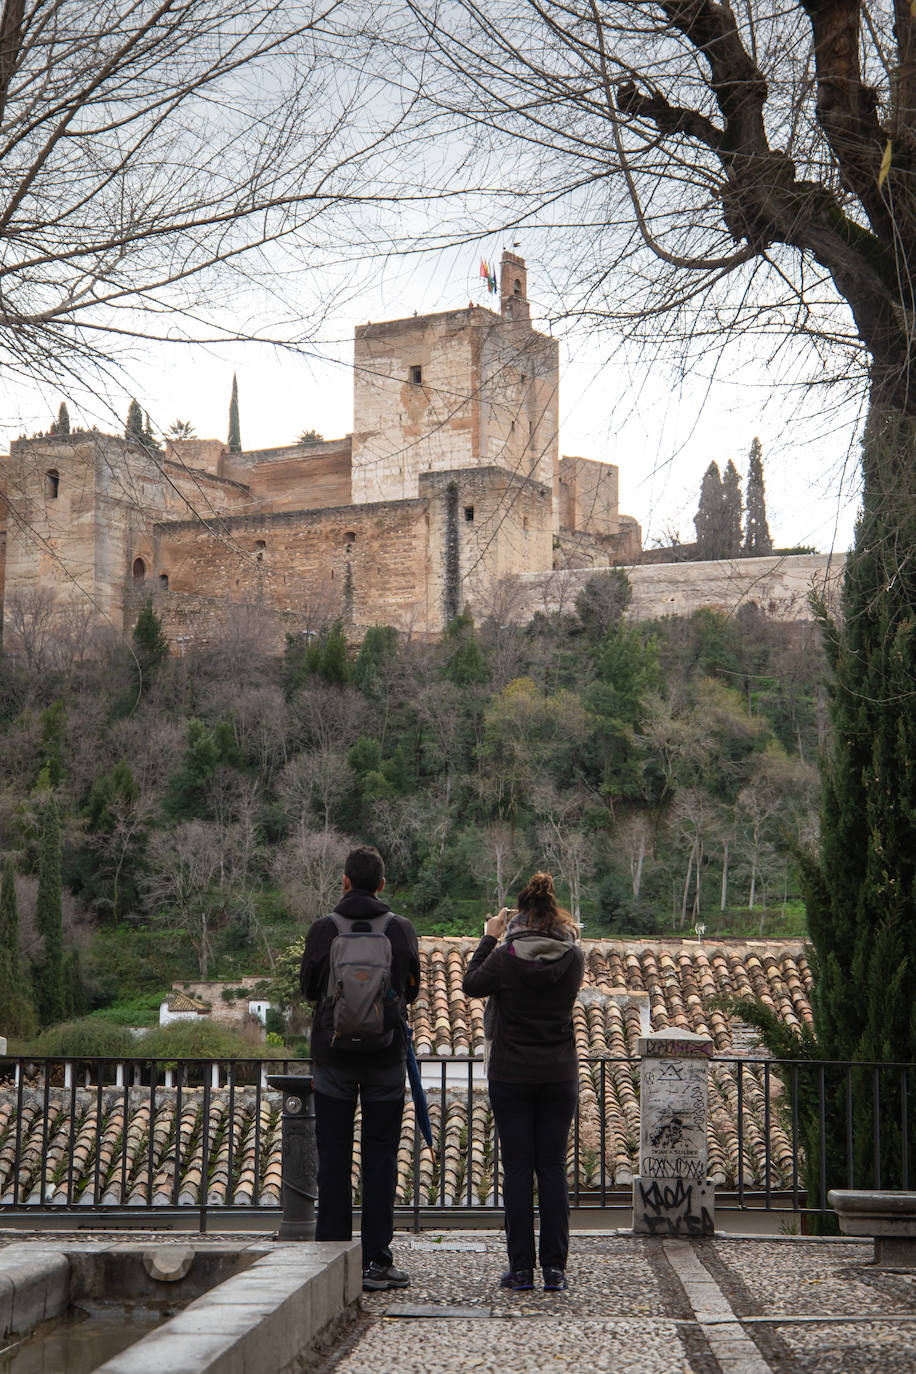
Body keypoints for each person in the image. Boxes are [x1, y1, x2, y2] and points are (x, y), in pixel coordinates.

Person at [300, 845, 420, 1291]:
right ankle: (376, 1261)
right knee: (381, 1159)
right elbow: (413, 989)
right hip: (386, 1061)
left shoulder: (323, 929)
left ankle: (332, 1257)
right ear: (382, 885)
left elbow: (310, 988)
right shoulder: (400, 930)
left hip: (332, 1061)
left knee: (332, 1158)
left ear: (345, 882)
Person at [463, 871, 584, 1293]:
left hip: (511, 1074)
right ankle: (555, 1269)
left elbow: (470, 983)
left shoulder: (505, 955)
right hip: (559, 1072)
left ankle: (520, 1271)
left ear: (519, 915)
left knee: (516, 1170)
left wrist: (489, 937)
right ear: (555, 916)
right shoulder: (572, 956)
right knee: (552, 1168)